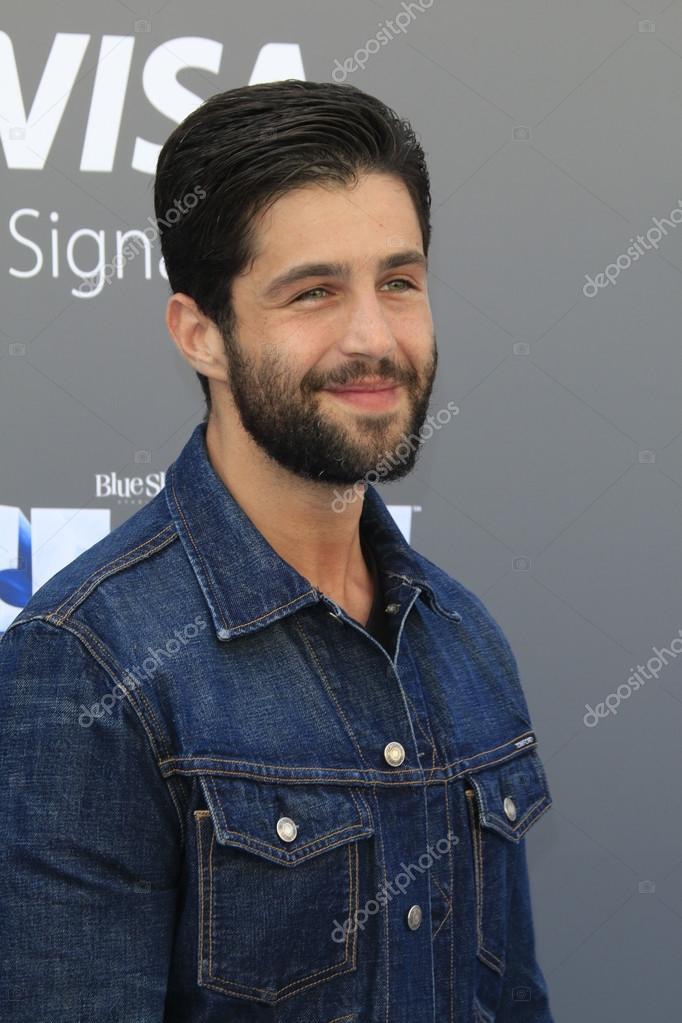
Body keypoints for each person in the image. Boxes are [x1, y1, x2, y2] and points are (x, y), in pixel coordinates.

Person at [0, 79, 555, 1022]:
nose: (374, 337)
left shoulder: (465, 639)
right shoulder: (87, 664)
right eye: (314, 292)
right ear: (201, 334)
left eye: (398, 282)